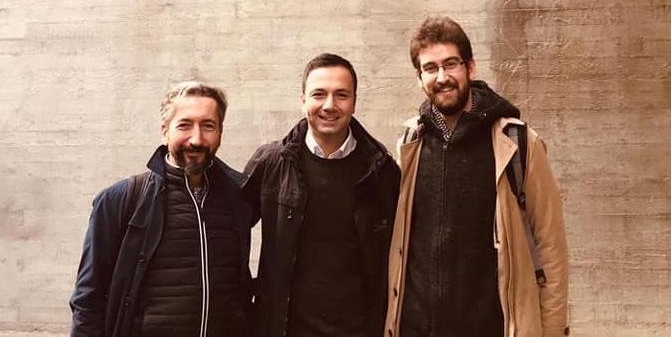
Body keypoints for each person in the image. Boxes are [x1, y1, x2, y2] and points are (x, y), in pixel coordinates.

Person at [385, 17, 569, 337]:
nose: (442, 77)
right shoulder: (410, 143)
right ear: (419, 78)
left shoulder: (516, 143)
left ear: (470, 67)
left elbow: (550, 248)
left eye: (450, 64)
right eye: (430, 68)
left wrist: (552, 330)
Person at [69, 82, 252, 337]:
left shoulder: (238, 199)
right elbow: (88, 299)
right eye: (184, 125)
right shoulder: (120, 200)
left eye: (208, 126)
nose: (197, 139)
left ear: (221, 132)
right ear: (164, 132)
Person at [243, 53, 401, 337]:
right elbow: (228, 229)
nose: (329, 105)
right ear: (302, 100)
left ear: (354, 102)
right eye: (319, 94)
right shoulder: (272, 162)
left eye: (341, 95)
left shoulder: (382, 171)